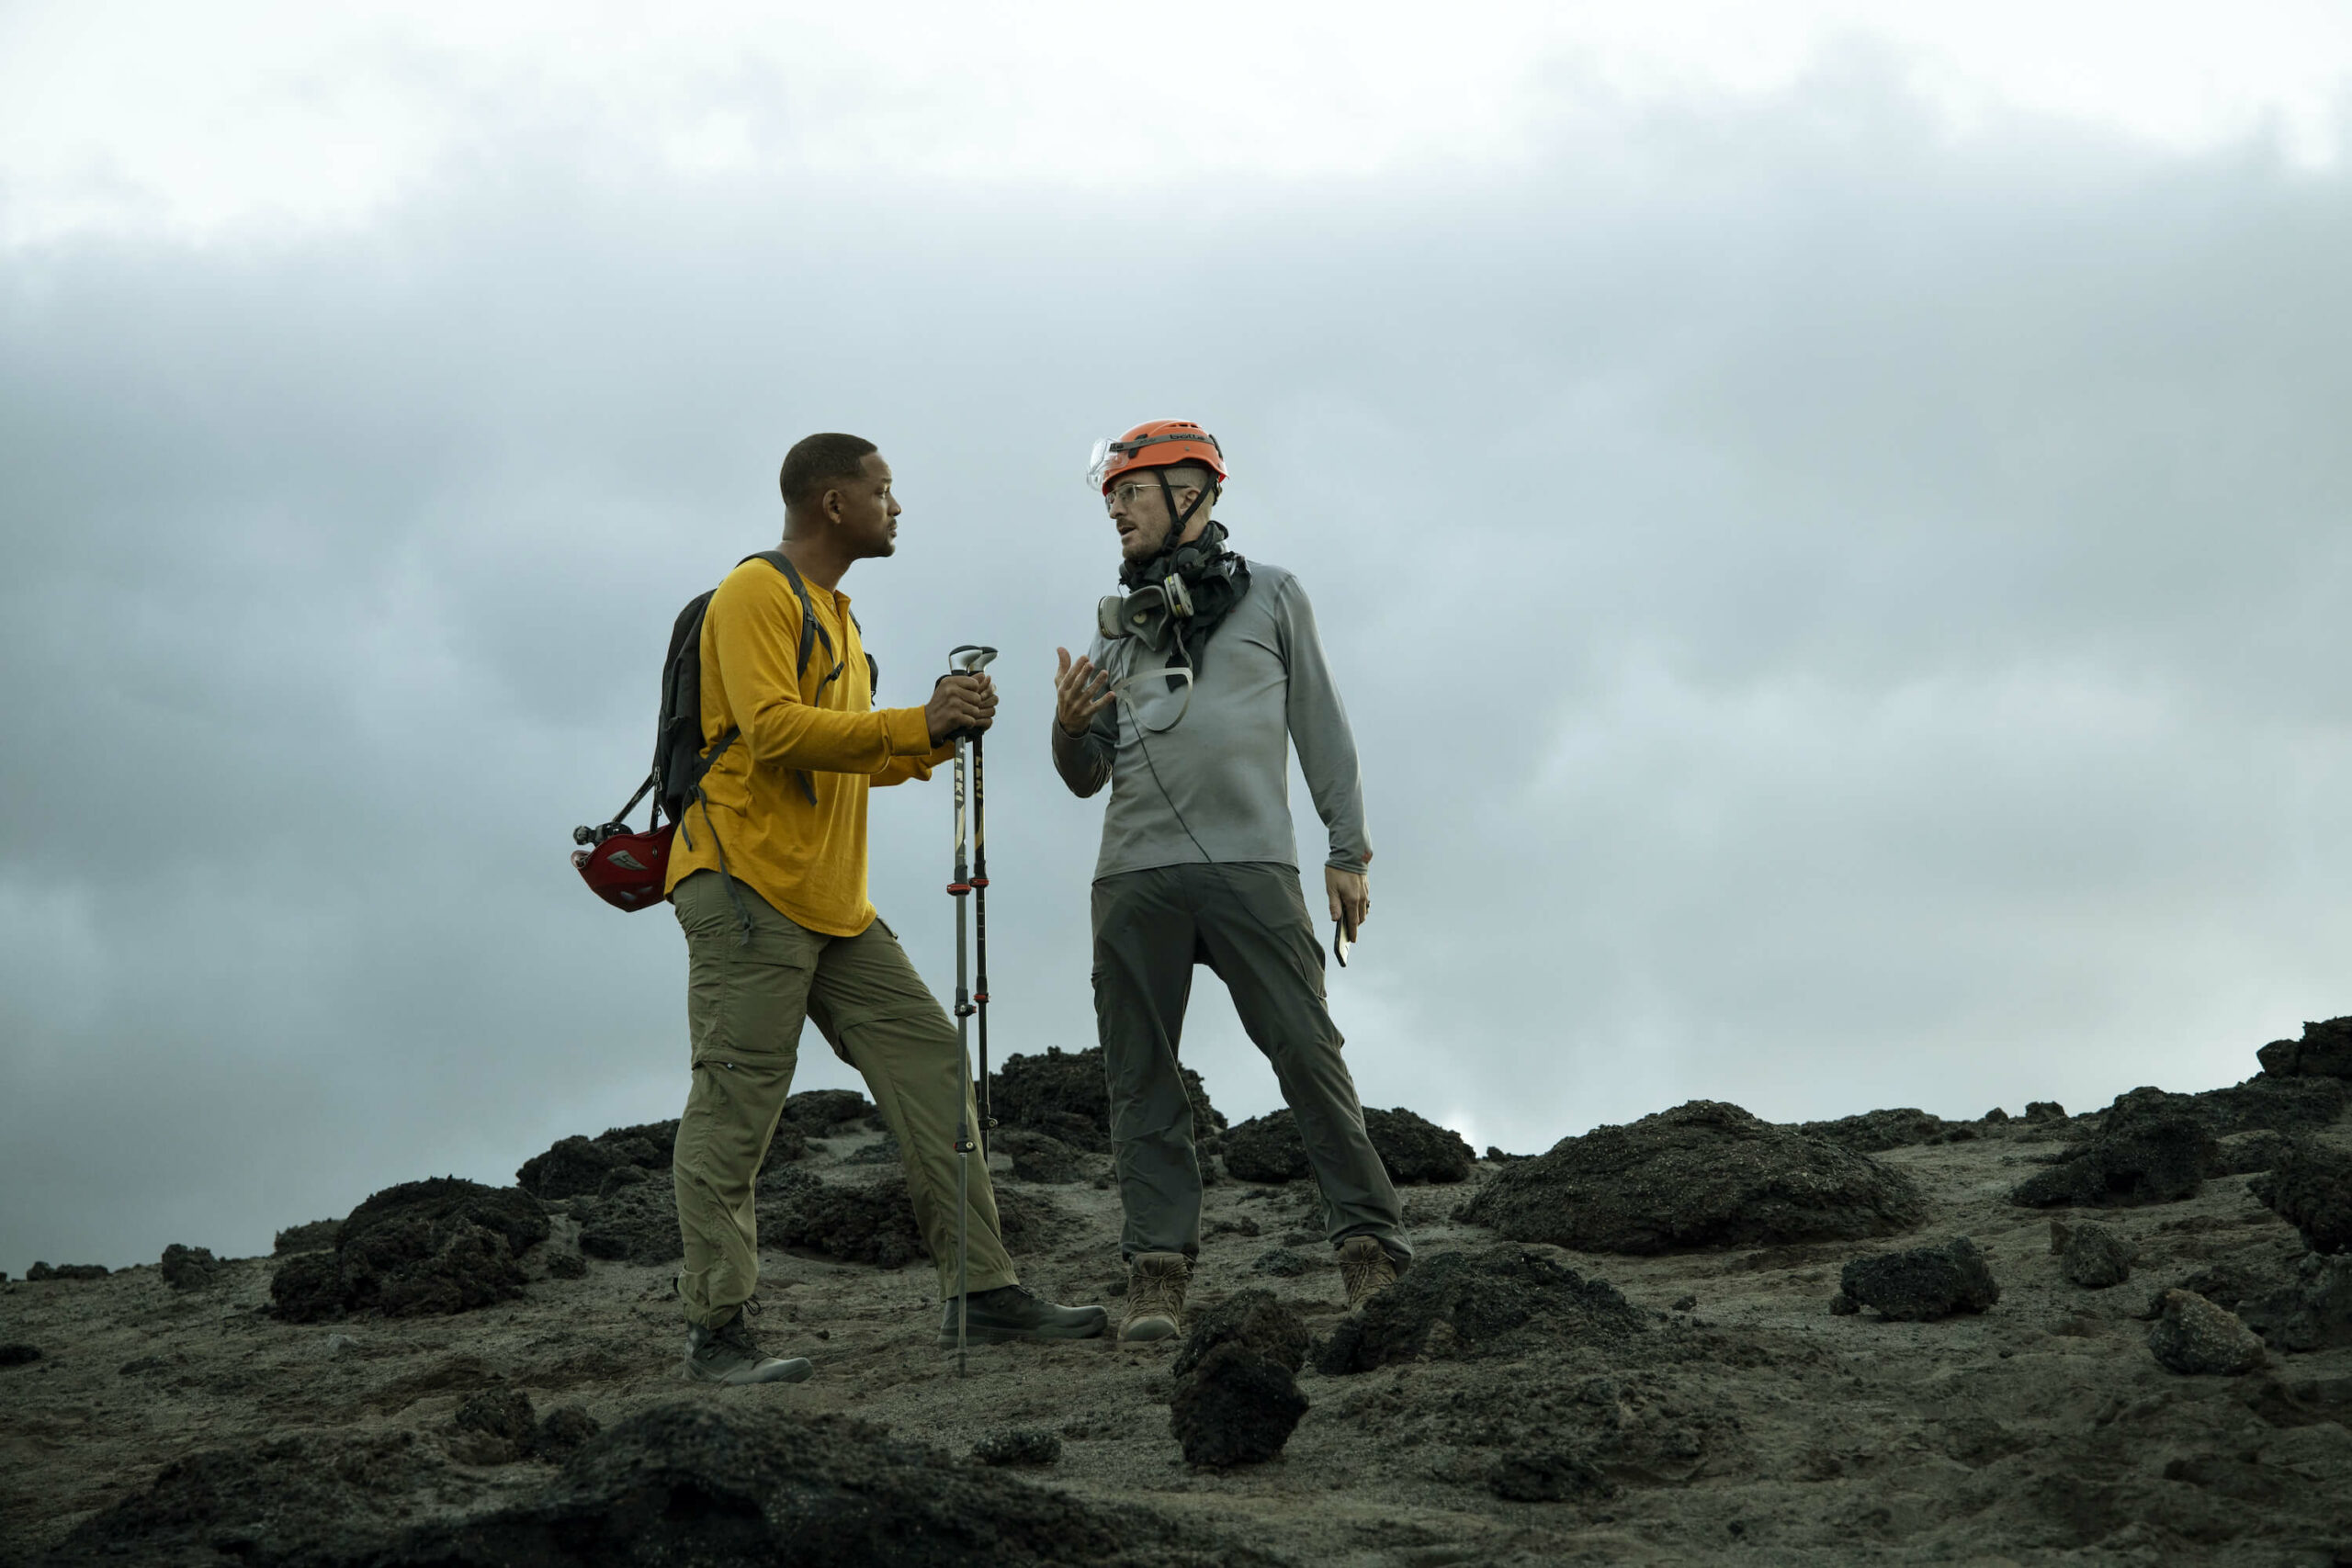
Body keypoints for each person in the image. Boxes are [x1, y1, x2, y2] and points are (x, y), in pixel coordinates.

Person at [666, 432, 1106, 1384]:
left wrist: (937, 733)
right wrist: (917, 723)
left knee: (935, 1070)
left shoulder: (839, 616)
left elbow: (858, 755)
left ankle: (981, 1293)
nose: (896, 506)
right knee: (737, 1106)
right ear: (834, 503)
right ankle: (717, 1332)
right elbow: (775, 731)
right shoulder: (756, 593)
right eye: (883, 490)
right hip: (745, 883)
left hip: (834, 907)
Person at [1051, 419, 1409, 1343]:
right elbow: (1084, 774)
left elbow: (1321, 725)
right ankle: (1157, 1276)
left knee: (1307, 1055)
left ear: (1191, 492)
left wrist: (1348, 850)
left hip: (1251, 870)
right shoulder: (1113, 632)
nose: (1115, 512)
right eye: (1112, 497)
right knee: (1140, 1083)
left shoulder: (1274, 596)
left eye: (1130, 493)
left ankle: (1371, 1254)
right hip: (1132, 877)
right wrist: (1066, 726)